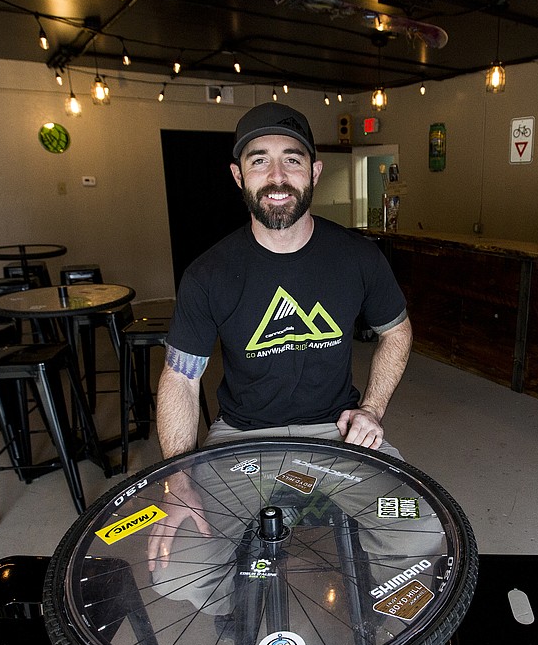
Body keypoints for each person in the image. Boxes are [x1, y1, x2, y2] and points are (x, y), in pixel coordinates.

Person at [148, 102, 414, 588]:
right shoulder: (208, 274)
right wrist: (178, 476)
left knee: (418, 533)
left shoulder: (358, 258)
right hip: (240, 439)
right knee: (178, 573)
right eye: (258, 160)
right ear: (238, 175)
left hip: (338, 433)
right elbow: (181, 380)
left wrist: (372, 409)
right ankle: (239, 609)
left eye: (291, 159)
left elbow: (396, 331)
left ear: (313, 170)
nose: (276, 176)